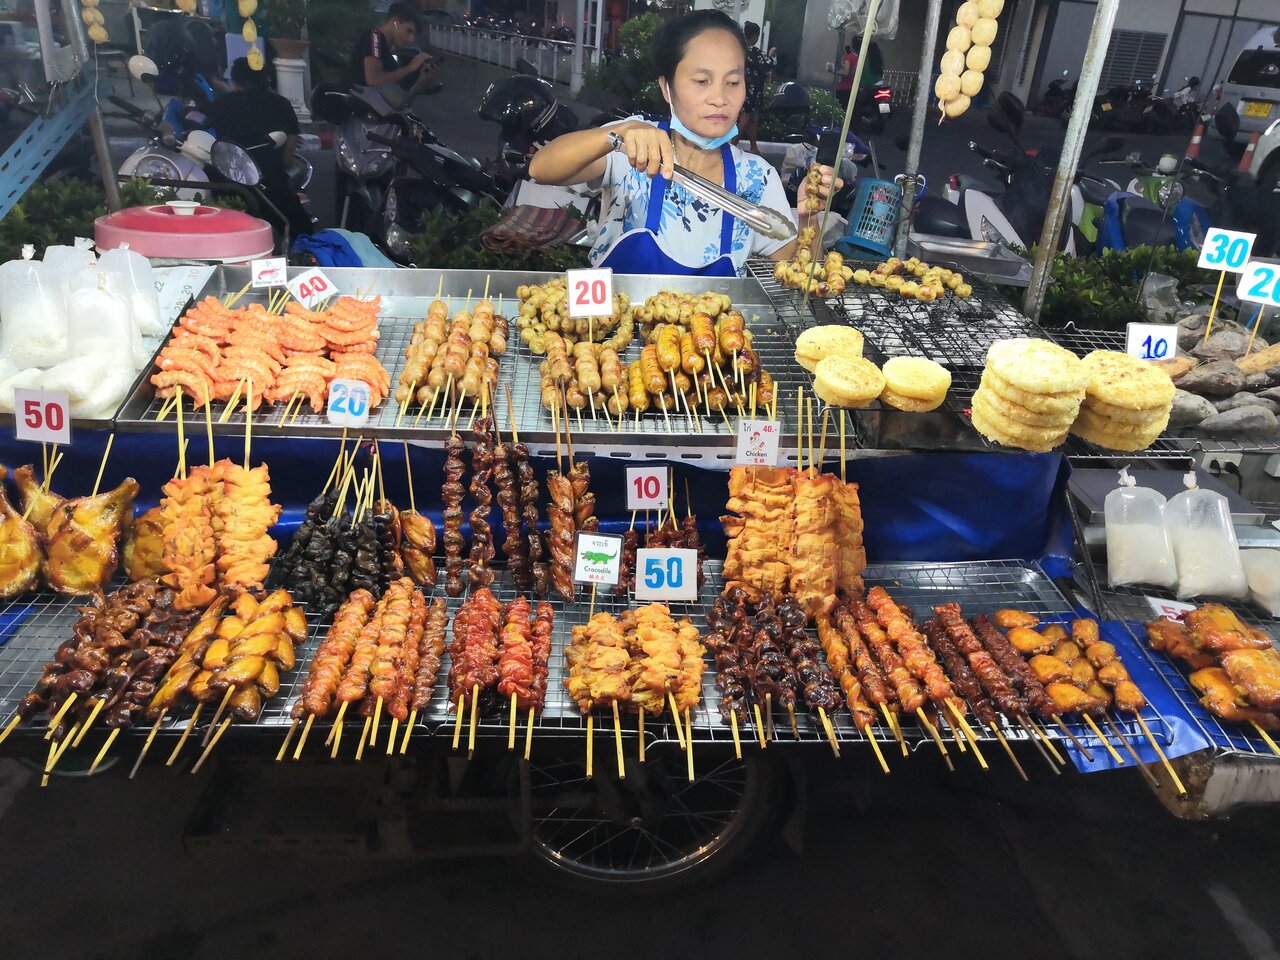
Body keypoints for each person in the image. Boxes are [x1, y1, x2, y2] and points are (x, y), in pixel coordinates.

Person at [528, 10, 838, 278]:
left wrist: (810, 216)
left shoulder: (757, 179)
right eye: (702, 81)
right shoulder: (632, 146)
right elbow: (542, 169)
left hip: (710, 344)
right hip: (615, 339)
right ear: (666, 87)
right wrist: (615, 134)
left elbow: (801, 274)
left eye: (733, 82)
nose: (720, 98)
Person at [207, 57, 314, 240]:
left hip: (225, 181)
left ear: (236, 81)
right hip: (270, 181)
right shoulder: (280, 104)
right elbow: (287, 159)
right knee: (302, 231)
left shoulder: (221, 104)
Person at [349, 1, 437, 90]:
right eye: (409, 31)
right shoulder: (375, 38)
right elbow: (373, 81)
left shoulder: (385, 47)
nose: (411, 39)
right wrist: (410, 67)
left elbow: (399, 99)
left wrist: (422, 79)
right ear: (395, 23)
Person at [738, 21, 775, 155]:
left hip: (745, 86)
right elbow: (766, 66)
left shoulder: (741, 49)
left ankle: (754, 146)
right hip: (752, 88)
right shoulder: (754, 51)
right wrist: (771, 55)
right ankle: (732, 144)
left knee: (753, 117)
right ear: (754, 36)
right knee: (746, 116)